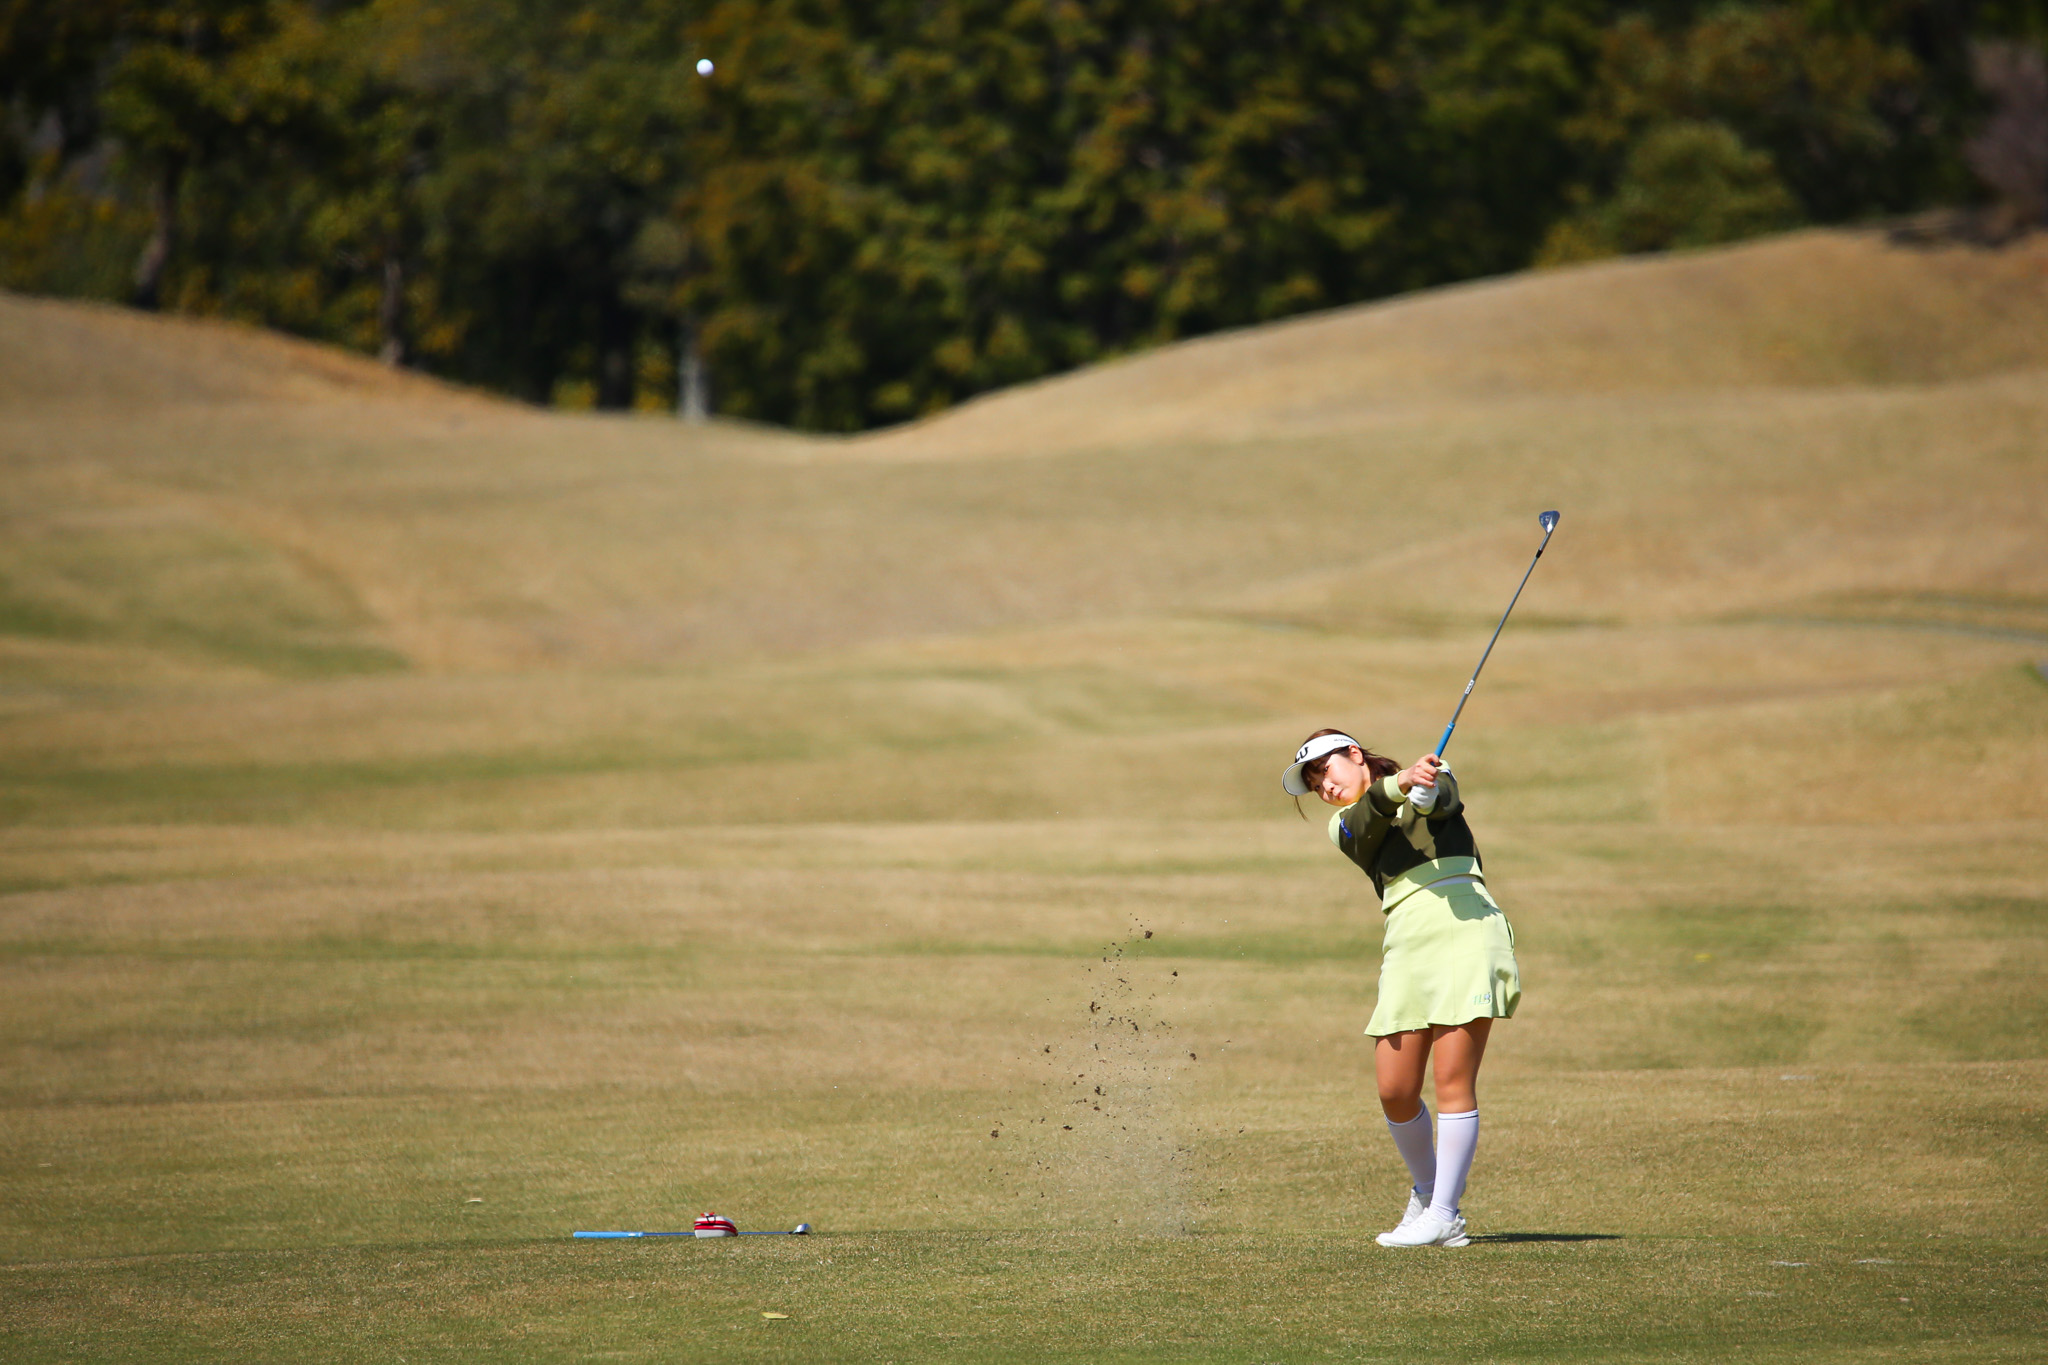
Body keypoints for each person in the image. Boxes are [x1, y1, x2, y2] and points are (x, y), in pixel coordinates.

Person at [1281, 729, 1521, 1249]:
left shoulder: (1433, 775)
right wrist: (1400, 786)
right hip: (1407, 941)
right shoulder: (1343, 824)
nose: (1324, 785)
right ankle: (1429, 1192)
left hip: (1465, 928)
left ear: (1354, 753)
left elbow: (1446, 803)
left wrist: (1427, 788)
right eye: (1314, 781)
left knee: (1452, 1077)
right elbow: (1366, 821)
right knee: (1394, 1088)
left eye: (1326, 769)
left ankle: (1445, 1214)